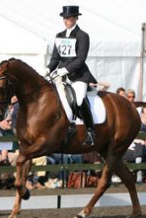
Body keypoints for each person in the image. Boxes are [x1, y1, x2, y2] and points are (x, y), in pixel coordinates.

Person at [44, 5, 97, 146]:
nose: (66, 20)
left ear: (75, 18)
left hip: (78, 75)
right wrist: (48, 69)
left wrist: (65, 70)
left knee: (79, 100)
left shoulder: (82, 36)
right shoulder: (59, 36)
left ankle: (90, 131)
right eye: (64, 18)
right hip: (60, 75)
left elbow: (80, 59)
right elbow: (55, 58)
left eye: (68, 18)